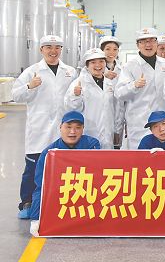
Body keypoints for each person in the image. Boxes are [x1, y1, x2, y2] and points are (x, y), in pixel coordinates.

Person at [12, 35, 77, 218]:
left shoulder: (70, 71)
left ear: (61, 50)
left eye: (57, 47)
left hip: (63, 129)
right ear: (41, 49)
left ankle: (59, 201)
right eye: (48, 47)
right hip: (39, 128)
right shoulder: (32, 71)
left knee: (63, 168)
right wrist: (29, 86)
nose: (53, 51)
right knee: (33, 169)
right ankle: (27, 202)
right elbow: (15, 95)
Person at [28, 111, 101, 227]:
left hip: (85, 193)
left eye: (78, 128)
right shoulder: (49, 153)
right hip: (60, 194)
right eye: (68, 127)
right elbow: (41, 185)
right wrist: (36, 219)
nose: (72, 131)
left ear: (83, 129)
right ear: (60, 127)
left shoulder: (92, 144)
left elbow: (98, 176)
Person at [114, 27, 165, 149]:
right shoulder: (129, 66)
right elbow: (119, 93)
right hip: (139, 123)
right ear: (138, 45)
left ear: (157, 43)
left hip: (163, 123)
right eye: (144, 41)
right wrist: (134, 85)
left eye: (151, 40)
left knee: (164, 157)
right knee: (140, 156)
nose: (148, 45)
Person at [64, 48, 116, 149]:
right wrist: (76, 96)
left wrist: (116, 130)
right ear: (87, 66)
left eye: (101, 61)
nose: (98, 65)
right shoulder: (78, 83)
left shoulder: (109, 83)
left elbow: (113, 109)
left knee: (107, 158)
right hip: (88, 132)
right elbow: (71, 110)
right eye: (93, 62)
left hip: (108, 134)